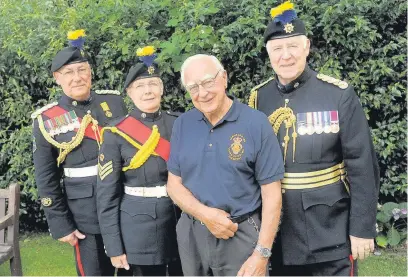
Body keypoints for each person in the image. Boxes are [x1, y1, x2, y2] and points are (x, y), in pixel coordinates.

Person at [248, 1, 380, 275]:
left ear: (306, 47)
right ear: (268, 53)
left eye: (293, 46)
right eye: (277, 48)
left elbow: (362, 165)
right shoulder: (258, 98)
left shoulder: (337, 94)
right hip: (277, 232)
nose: (286, 55)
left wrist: (362, 228)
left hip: (328, 229)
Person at [166, 54, 284, 276]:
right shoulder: (183, 124)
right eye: (193, 87)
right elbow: (174, 184)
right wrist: (205, 215)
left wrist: (262, 253)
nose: (202, 93)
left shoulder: (256, 123)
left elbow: (272, 194)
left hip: (240, 233)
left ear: (224, 79)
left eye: (208, 82)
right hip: (192, 234)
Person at [32, 29, 128, 276]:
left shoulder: (115, 103)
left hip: (125, 206)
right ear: (57, 77)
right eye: (68, 72)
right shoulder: (47, 119)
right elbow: (46, 177)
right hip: (86, 214)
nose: (77, 77)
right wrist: (60, 223)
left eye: (82, 69)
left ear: (90, 72)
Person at [97, 46, 182, 276]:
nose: (148, 91)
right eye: (140, 86)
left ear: (162, 89)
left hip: (180, 220)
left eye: (153, 84)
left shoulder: (181, 124)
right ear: (130, 93)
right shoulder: (116, 133)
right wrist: (114, 247)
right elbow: (107, 195)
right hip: (137, 229)